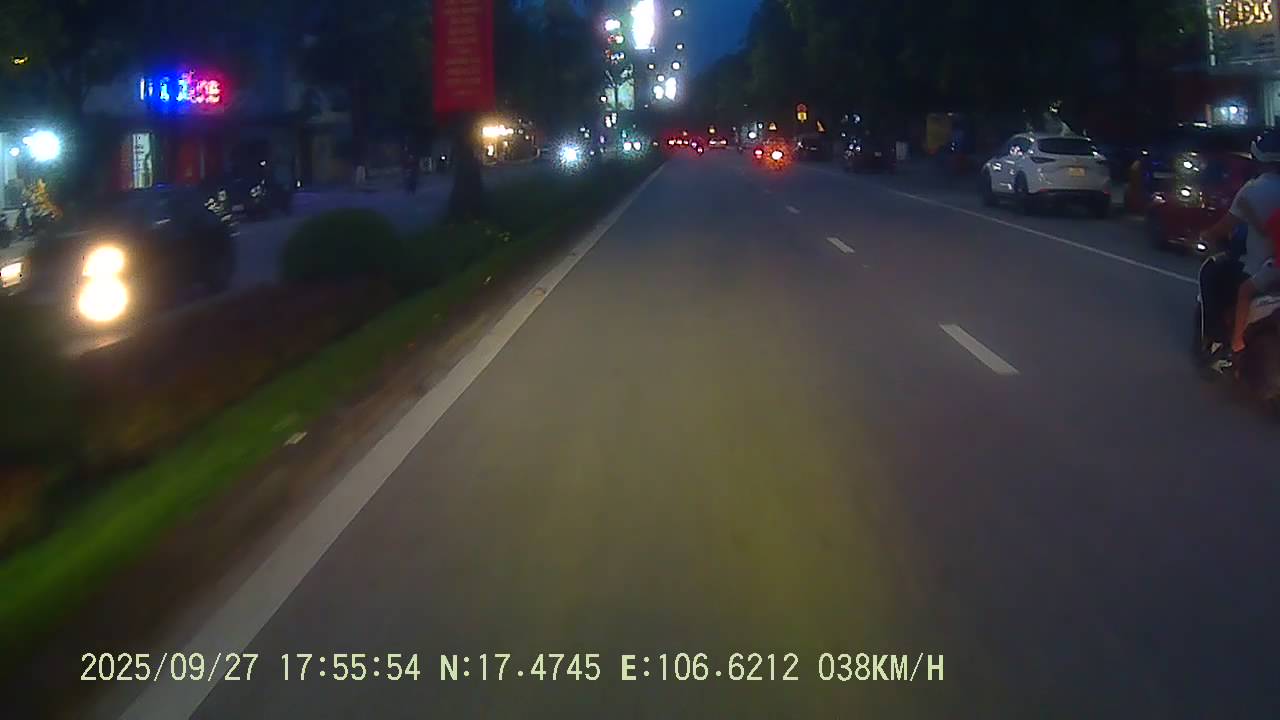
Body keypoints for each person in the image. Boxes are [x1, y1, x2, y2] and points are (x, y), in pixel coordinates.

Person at [1200, 130, 1280, 357]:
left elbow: (1225, 227)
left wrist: (1206, 235)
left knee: (1213, 274)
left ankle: (1224, 343)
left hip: (1260, 267)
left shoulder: (1251, 190)